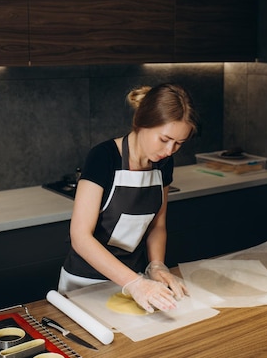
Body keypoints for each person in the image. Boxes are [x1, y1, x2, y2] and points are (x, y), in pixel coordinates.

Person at [58, 83, 200, 313]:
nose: (170, 150)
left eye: (179, 144)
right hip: (85, 285)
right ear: (141, 123)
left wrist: (156, 265)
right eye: (164, 139)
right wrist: (133, 283)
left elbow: (157, 225)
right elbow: (80, 237)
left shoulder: (164, 163)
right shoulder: (103, 157)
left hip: (137, 283)